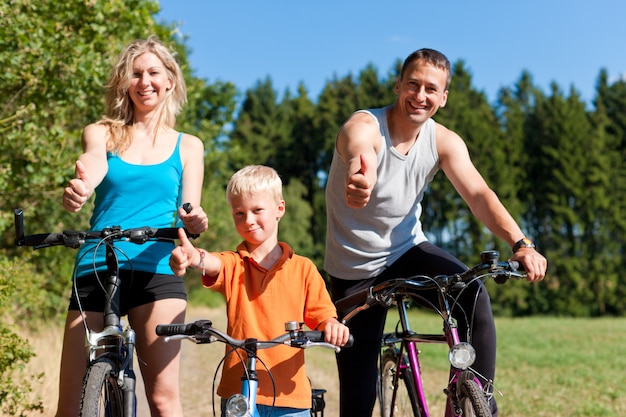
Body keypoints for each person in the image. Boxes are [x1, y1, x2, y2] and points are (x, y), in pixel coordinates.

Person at [324, 48, 547, 417]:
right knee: (358, 397)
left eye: (431, 89)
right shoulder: (365, 125)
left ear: (443, 98)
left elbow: (478, 195)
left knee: (473, 295)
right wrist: (360, 172)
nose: (420, 95)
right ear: (398, 85)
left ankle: (471, 406)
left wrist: (520, 243)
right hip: (353, 268)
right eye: (413, 84)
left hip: (406, 250)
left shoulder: (444, 141)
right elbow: (358, 145)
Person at [60, 36, 208, 417]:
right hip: (97, 262)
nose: (145, 81)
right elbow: (94, 162)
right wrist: (83, 185)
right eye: (136, 74)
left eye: (154, 73)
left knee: (163, 400)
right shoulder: (102, 132)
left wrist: (194, 220)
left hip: (156, 268)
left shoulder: (189, 145)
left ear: (170, 80)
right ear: (125, 83)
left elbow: (189, 209)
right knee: (69, 407)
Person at [169, 165, 350, 417]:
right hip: (238, 392)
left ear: (280, 209)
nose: (248, 220)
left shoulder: (303, 268)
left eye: (257, 210)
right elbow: (212, 263)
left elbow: (322, 314)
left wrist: (332, 325)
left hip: (290, 396)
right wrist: (195, 258)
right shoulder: (235, 263)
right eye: (239, 213)